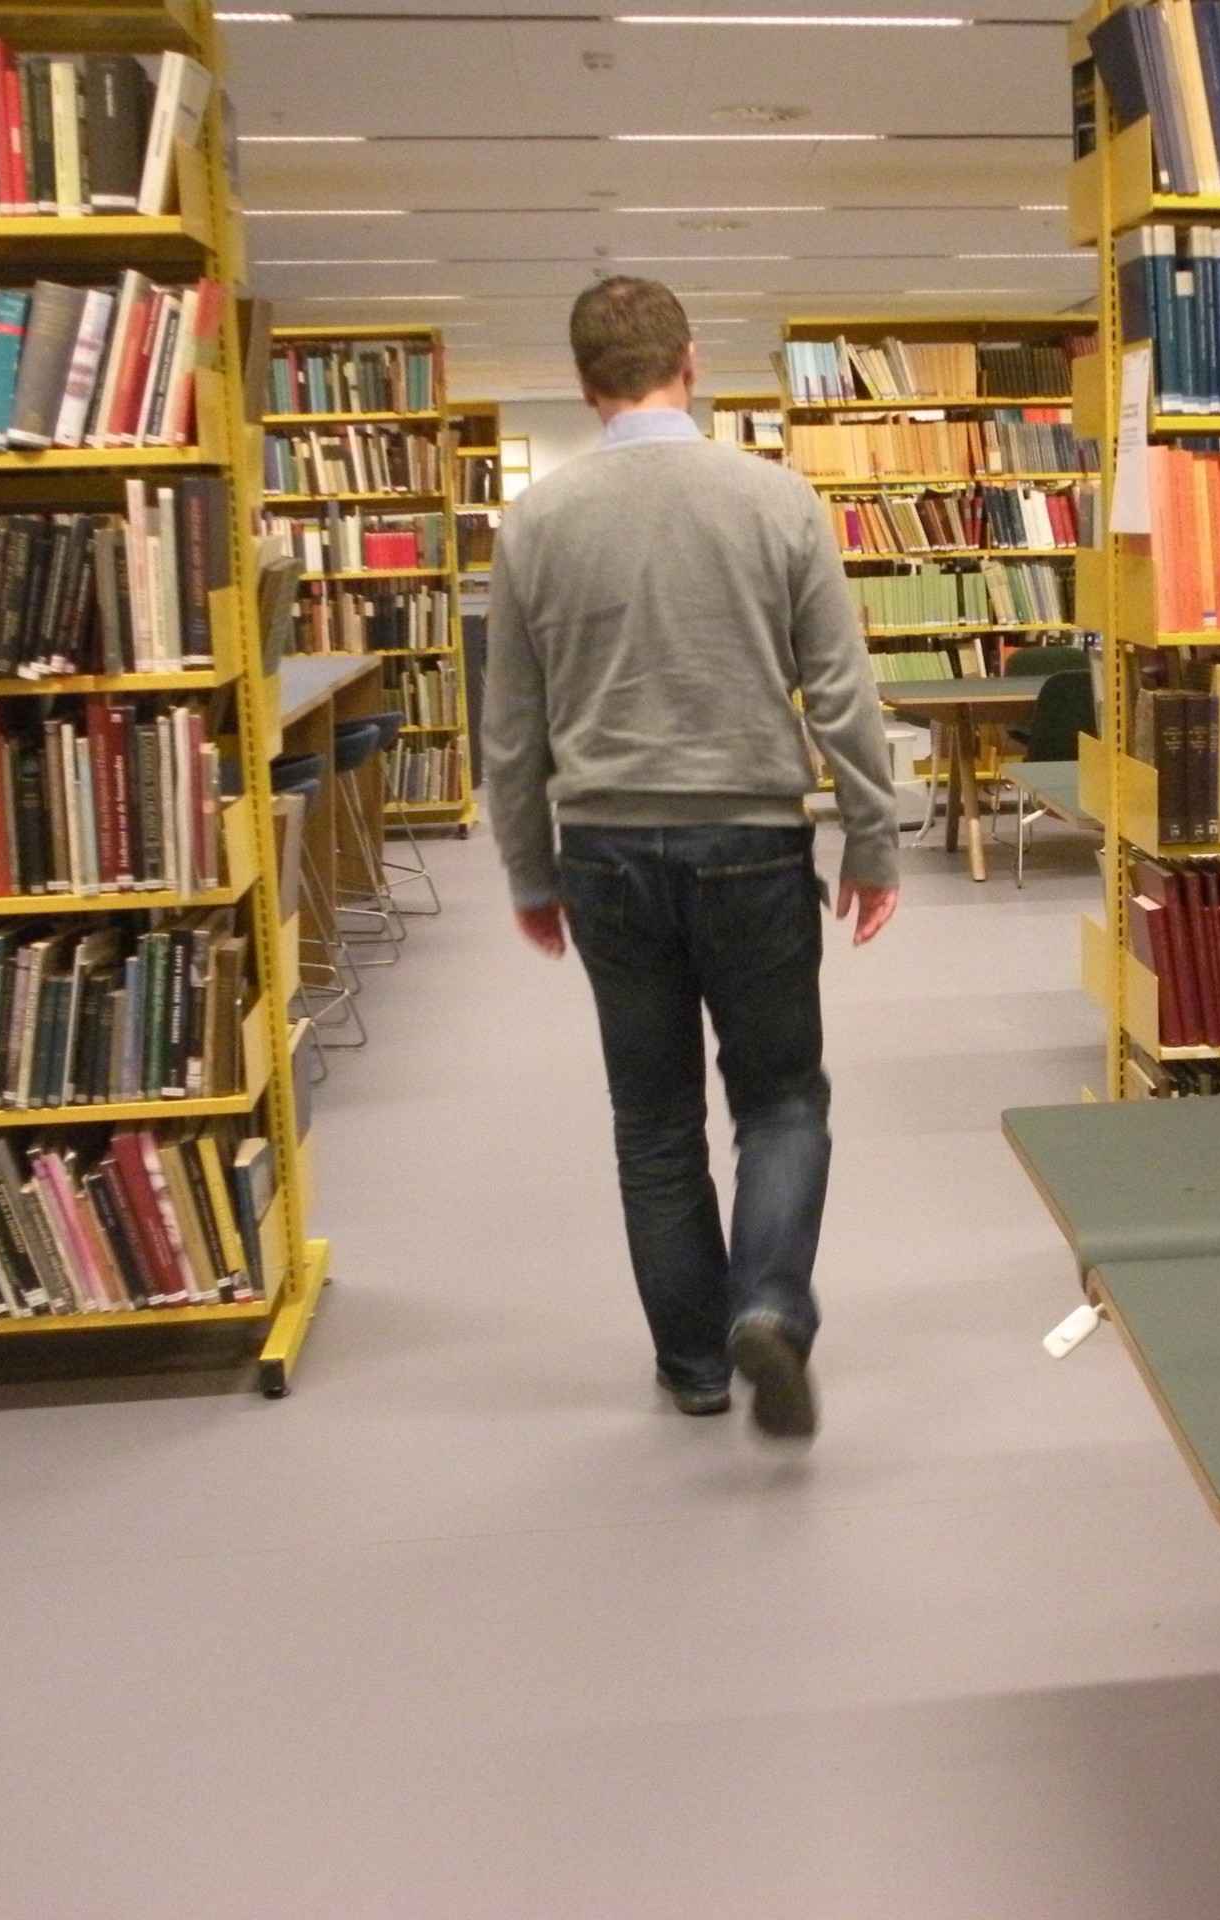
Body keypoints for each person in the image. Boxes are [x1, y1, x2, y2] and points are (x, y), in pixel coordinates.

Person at [483, 276, 900, 1439]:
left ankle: (695, 1366)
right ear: (691, 360)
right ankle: (767, 1302)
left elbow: (510, 729)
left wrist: (528, 871)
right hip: (753, 843)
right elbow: (840, 689)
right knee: (777, 1101)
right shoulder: (776, 500)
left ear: (583, 383)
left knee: (652, 1120)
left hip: (606, 850)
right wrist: (873, 838)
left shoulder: (535, 522)